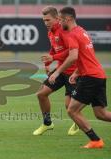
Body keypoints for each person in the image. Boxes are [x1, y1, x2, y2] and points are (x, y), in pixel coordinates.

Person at [49, 6, 111, 148]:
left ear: (68, 19)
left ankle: (95, 140)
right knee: (101, 114)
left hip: (90, 77)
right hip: (98, 75)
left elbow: (73, 57)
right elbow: (86, 56)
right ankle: (96, 141)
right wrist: (77, 72)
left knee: (72, 110)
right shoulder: (82, 31)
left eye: (60, 19)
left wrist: (57, 72)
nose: (59, 22)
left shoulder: (72, 35)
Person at [33, 6, 79, 136]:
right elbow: (54, 49)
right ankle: (47, 123)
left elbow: (71, 52)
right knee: (41, 94)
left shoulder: (64, 31)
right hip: (60, 70)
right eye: (44, 20)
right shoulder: (50, 32)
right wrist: (48, 63)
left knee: (69, 107)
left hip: (72, 71)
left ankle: (78, 122)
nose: (46, 23)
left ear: (57, 19)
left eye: (48, 20)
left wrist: (53, 57)